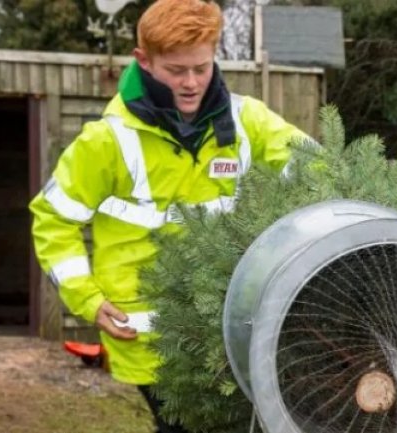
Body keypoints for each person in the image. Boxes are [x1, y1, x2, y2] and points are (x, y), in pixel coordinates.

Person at [29, 0, 308, 431]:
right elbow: (53, 219)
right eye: (176, 71)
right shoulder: (106, 142)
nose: (192, 82)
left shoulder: (246, 120)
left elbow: (313, 166)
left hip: (225, 315)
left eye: (202, 67)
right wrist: (87, 298)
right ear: (144, 60)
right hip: (146, 330)